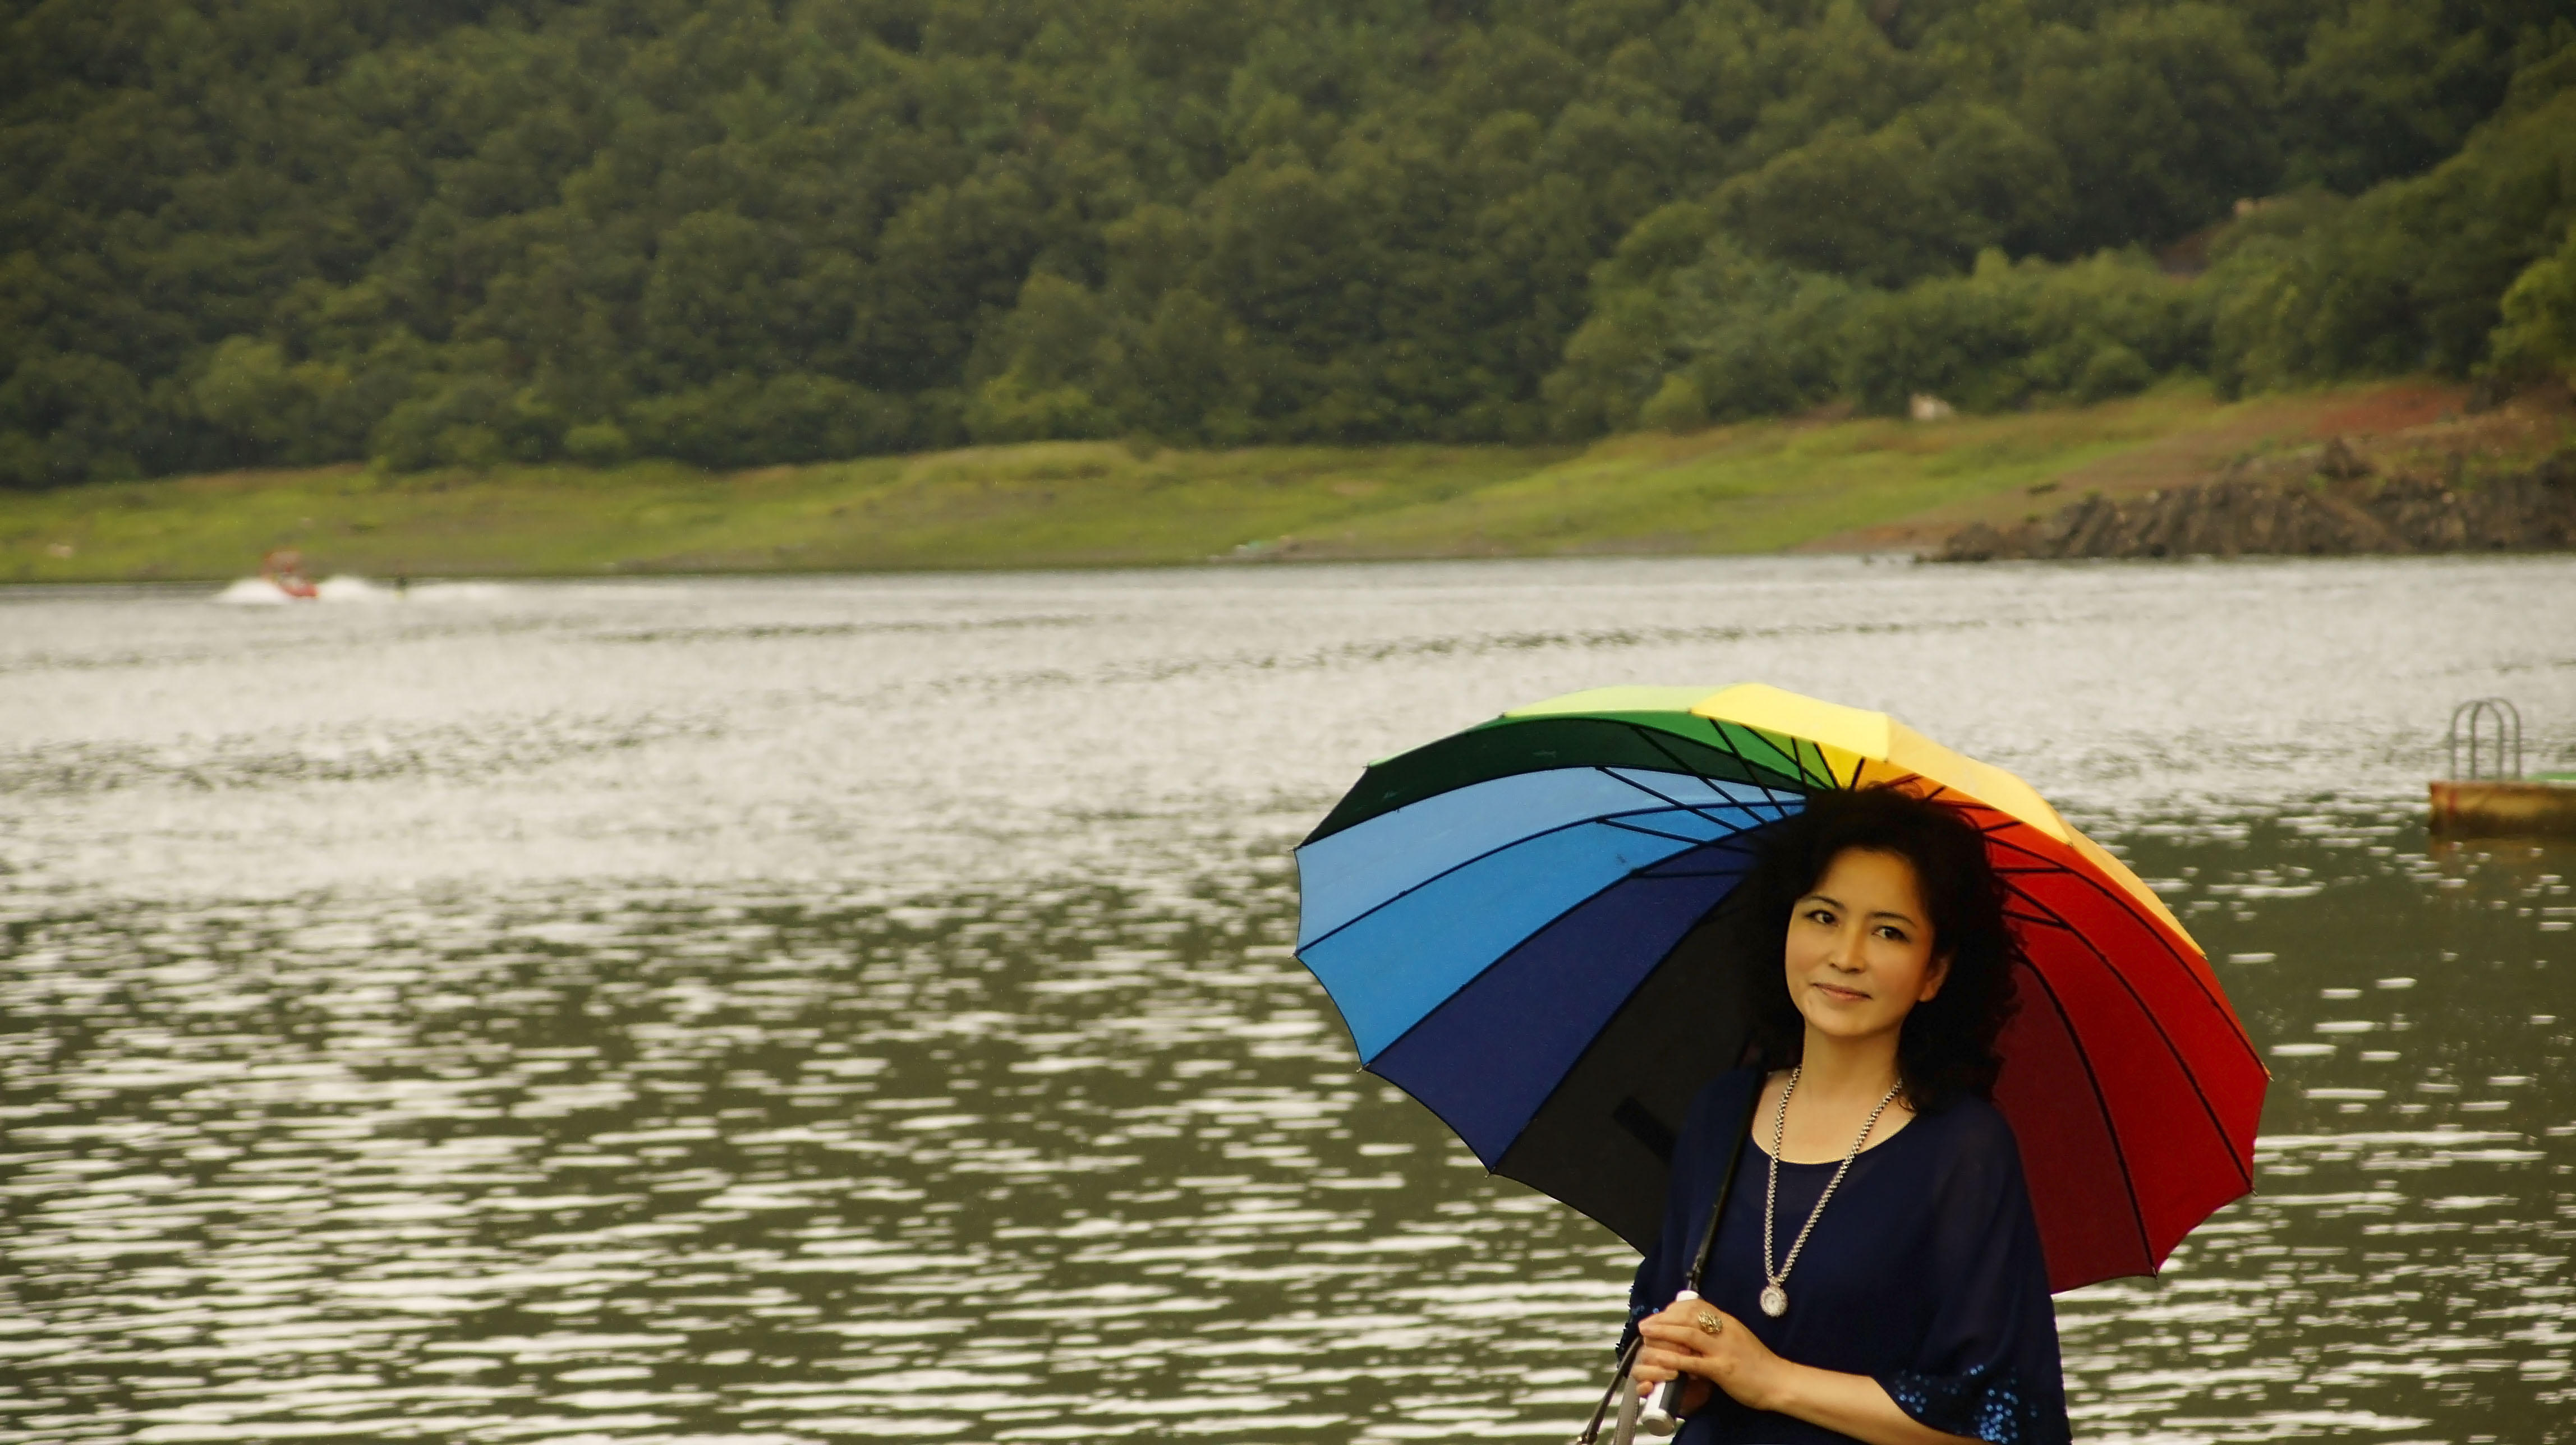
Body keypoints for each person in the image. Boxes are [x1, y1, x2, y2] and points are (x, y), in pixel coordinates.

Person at [1622, 785, 2071, 1445]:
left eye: (1888, 931)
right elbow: (1656, 1320)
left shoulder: (1962, 1148)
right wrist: (1677, 1370)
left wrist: (1770, 1379)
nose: (1846, 954)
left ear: (1933, 971)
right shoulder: (1721, 1110)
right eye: (1822, 916)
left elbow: (2000, 1417)